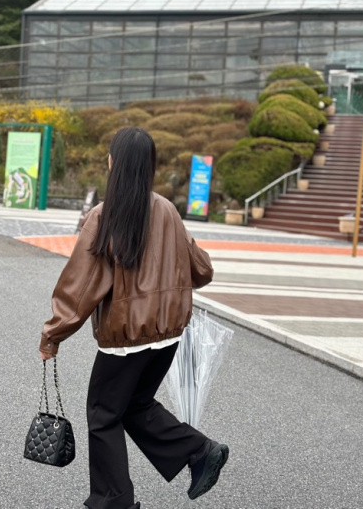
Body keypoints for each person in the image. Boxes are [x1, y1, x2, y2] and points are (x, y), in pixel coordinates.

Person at [39, 127, 229, 509]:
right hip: (167, 336)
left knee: (103, 414)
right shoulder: (167, 210)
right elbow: (202, 270)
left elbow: (80, 288)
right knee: (135, 406)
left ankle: (114, 501)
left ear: (115, 163)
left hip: (127, 340)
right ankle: (199, 451)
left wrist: (52, 335)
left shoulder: (105, 215)